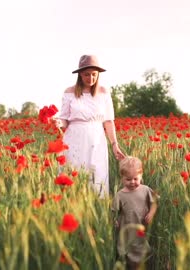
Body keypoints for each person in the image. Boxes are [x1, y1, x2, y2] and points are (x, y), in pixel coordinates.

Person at [55, 55, 125, 198]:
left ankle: (95, 213)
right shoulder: (69, 92)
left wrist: (114, 144)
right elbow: (65, 120)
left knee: (96, 175)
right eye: (87, 74)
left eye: (94, 74)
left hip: (96, 139)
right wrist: (58, 122)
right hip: (74, 138)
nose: (91, 78)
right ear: (80, 74)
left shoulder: (104, 93)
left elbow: (108, 121)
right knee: (74, 173)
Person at [112, 156, 158, 269]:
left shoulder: (145, 190)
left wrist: (151, 213)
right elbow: (113, 211)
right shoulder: (120, 195)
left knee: (143, 248)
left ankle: (143, 265)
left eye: (135, 179)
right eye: (128, 179)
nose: (132, 182)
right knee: (127, 249)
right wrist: (113, 220)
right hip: (127, 228)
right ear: (122, 178)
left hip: (142, 226)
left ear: (141, 175)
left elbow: (154, 202)